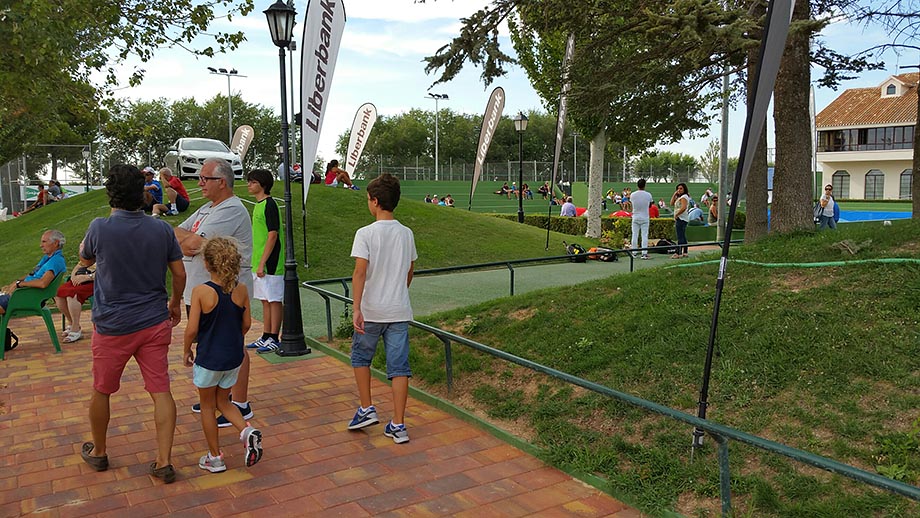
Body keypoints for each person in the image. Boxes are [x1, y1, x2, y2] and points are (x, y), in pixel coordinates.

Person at [79, 164, 186, 484]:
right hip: (154, 322)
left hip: (111, 326)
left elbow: (84, 261)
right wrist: (175, 303)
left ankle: (99, 452)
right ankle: (163, 461)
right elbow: (179, 274)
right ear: (142, 192)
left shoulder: (99, 228)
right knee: (161, 390)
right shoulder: (162, 230)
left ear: (111, 193)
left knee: (102, 389)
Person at [176, 158, 255, 427]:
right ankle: (214, 396)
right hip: (202, 290)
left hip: (225, 293)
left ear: (222, 182)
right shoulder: (208, 208)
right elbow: (176, 233)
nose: (199, 183)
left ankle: (240, 404)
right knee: (209, 344)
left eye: (204, 178)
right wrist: (185, 238)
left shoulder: (231, 209)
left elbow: (191, 244)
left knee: (233, 346)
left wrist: (186, 239)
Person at [347, 173, 417, 444]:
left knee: (361, 358)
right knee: (399, 367)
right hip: (398, 310)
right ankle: (398, 424)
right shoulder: (406, 233)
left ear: (375, 201)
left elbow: (359, 273)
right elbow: (409, 271)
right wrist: (399, 292)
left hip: (371, 310)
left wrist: (356, 308)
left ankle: (366, 408)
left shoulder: (365, 234)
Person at [183, 237, 262, 473]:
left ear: (207, 264)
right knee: (223, 400)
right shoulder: (241, 290)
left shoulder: (201, 292)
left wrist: (186, 349)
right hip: (233, 356)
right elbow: (246, 323)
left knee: (207, 406)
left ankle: (215, 457)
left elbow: (193, 329)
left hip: (209, 358)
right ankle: (247, 431)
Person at [244, 169, 284, 353]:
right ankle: (266, 335)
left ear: (263, 184)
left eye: (252, 182)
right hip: (258, 260)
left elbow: (272, 234)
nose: (249, 185)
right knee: (265, 300)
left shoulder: (270, 204)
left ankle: (275, 337)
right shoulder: (258, 205)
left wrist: (263, 263)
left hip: (271, 263)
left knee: (274, 300)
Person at [0, 230, 67, 314]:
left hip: (27, 297)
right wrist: (15, 282)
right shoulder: (48, 258)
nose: (41, 245)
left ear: (56, 243)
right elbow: (32, 274)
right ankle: (3, 328)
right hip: (23, 294)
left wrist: (19, 284)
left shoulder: (55, 261)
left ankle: (3, 327)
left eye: (44, 242)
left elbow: (43, 283)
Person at [55, 259, 96, 343]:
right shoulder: (91, 251)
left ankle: (76, 329)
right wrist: (74, 277)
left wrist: (88, 277)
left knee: (72, 294)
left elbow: (108, 272)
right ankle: (72, 322)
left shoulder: (110, 253)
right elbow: (79, 265)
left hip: (96, 281)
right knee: (58, 293)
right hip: (81, 279)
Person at [630, 179, 654, 260]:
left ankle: (634, 252)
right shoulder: (648, 195)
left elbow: (631, 204)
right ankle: (644, 253)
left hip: (635, 216)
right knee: (644, 235)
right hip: (645, 217)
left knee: (634, 235)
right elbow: (650, 205)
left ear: (637, 185)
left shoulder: (632, 195)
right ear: (644, 185)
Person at [670, 183, 691, 258]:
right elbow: (671, 203)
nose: (679, 190)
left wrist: (677, 214)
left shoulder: (684, 197)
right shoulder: (680, 197)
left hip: (681, 218)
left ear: (684, 189)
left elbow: (684, 207)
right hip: (682, 218)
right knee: (682, 235)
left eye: (681, 188)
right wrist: (674, 194)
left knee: (680, 236)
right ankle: (685, 252)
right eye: (678, 188)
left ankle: (678, 253)